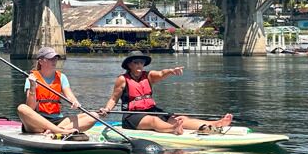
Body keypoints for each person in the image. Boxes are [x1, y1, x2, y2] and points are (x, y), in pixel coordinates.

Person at [99, 50, 233, 135]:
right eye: (136, 62)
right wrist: (107, 109)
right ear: (129, 65)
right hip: (132, 116)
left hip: (151, 110)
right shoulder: (122, 79)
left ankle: (215, 125)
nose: (140, 65)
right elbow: (113, 99)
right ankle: (173, 129)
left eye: (142, 62)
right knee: (153, 120)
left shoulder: (149, 76)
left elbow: (161, 73)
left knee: (181, 118)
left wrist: (171, 71)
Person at [16, 46, 101, 140]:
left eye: (55, 58)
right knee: (22, 108)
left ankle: (54, 131)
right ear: (40, 61)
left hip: (58, 120)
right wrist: (32, 86)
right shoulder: (32, 77)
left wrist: (74, 102)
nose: (54, 61)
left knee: (94, 115)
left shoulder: (61, 77)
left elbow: (70, 96)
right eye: (50, 58)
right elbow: (30, 108)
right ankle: (60, 131)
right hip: (37, 122)